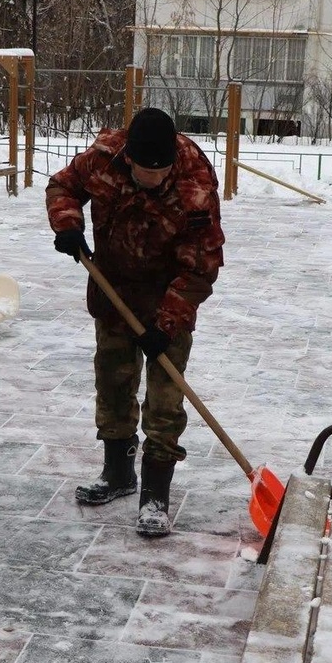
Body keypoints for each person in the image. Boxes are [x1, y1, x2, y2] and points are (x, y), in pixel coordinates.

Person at [46, 107, 225, 536]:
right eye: (145, 169)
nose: (153, 177)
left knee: (165, 397)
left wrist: (165, 326)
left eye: (160, 170)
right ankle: (118, 473)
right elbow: (62, 185)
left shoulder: (194, 184)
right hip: (113, 290)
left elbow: (201, 266)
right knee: (113, 381)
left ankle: (155, 497)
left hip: (170, 295)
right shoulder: (105, 156)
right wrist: (67, 224)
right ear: (128, 158)